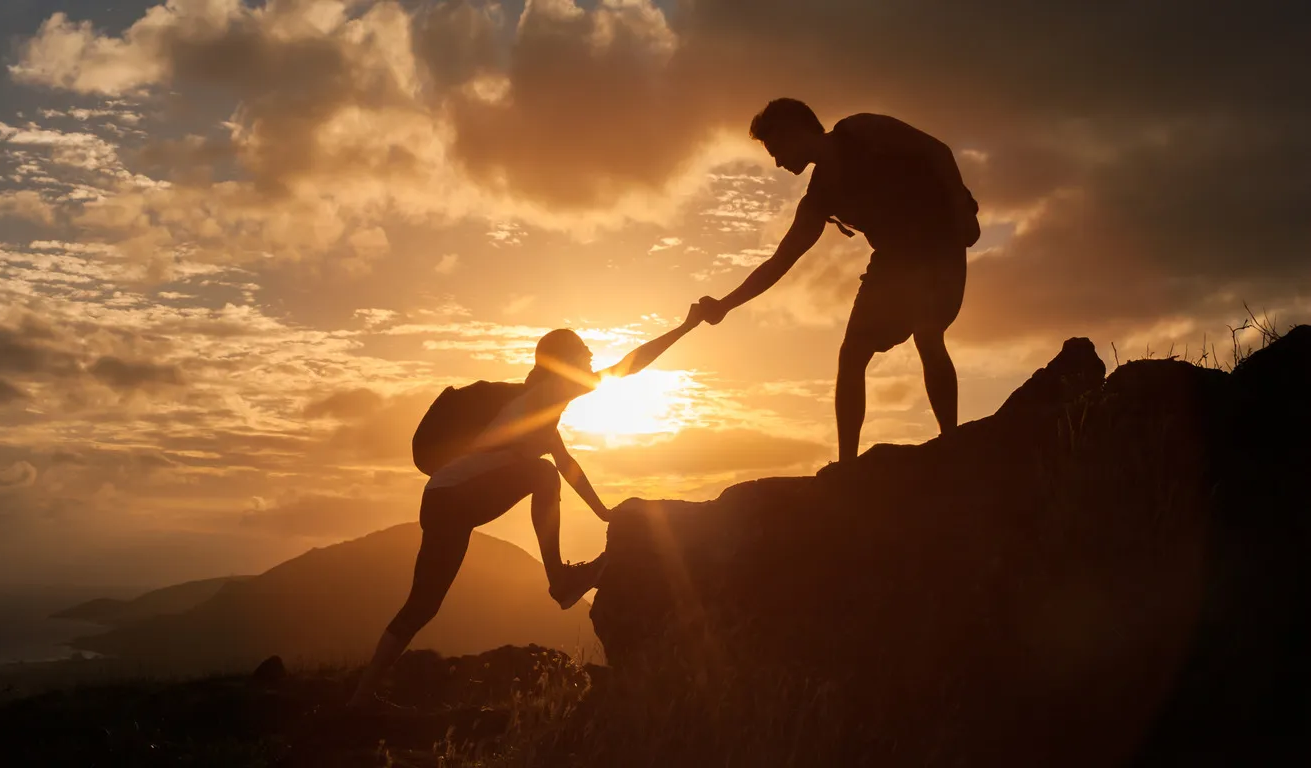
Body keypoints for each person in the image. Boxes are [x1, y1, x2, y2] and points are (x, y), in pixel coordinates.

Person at [348, 304, 705, 707]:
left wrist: (604, 513)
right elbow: (627, 367)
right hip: (453, 499)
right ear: (563, 363)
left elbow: (568, 465)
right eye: (583, 351)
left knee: (423, 604)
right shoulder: (547, 393)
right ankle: (560, 581)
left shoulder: (538, 412)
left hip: (444, 499)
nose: (590, 357)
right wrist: (685, 327)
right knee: (540, 477)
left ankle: (360, 698)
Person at [698, 98, 980, 463]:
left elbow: (936, 150)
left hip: (938, 242)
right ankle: (848, 466)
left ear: (795, 131)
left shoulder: (862, 130)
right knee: (851, 355)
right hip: (892, 262)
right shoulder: (819, 198)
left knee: (927, 332)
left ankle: (951, 443)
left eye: (777, 149)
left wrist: (959, 202)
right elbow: (780, 261)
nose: (778, 162)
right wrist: (724, 305)